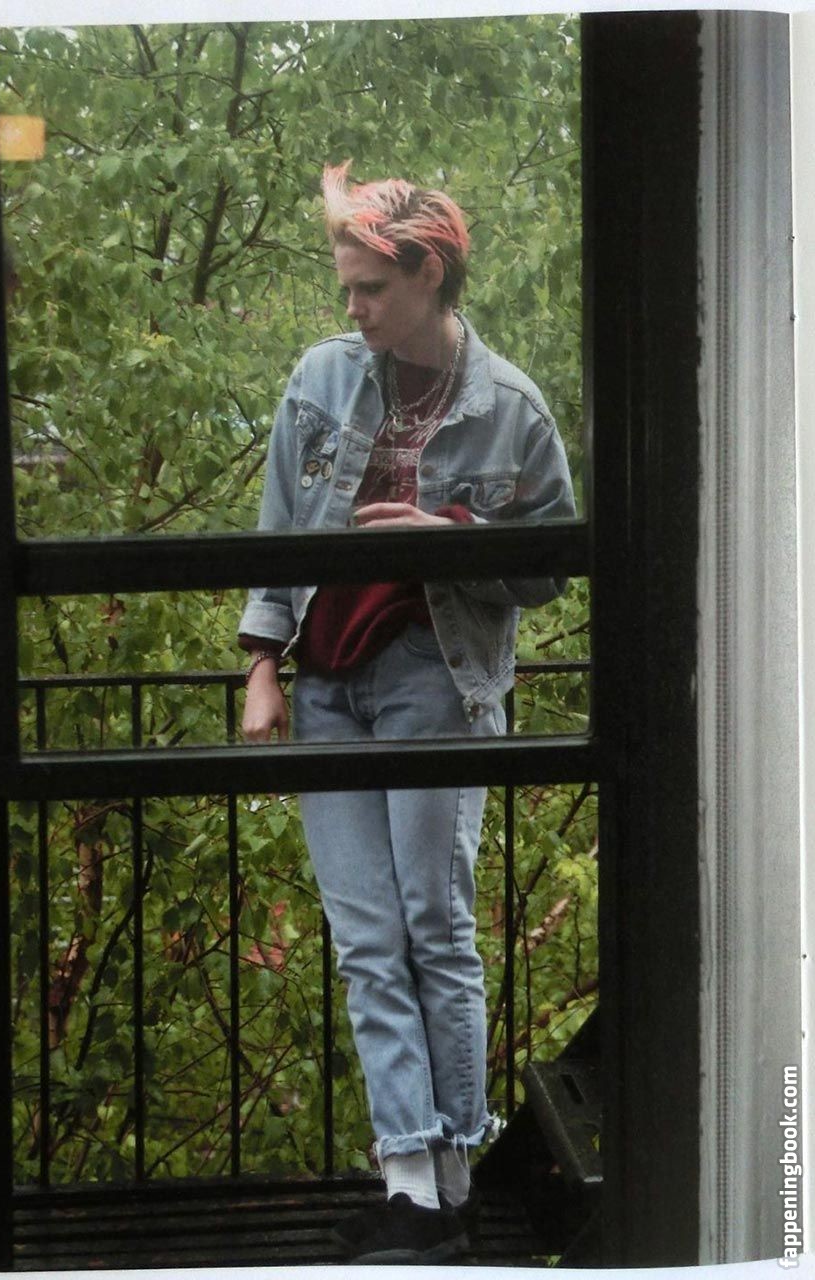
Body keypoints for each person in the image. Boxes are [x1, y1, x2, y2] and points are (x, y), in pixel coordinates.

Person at [238, 160, 575, 1265]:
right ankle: (409, 1180)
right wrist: (262, 664)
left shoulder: (511, 409)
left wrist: (456, 542)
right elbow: (278, 524)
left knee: (434, 924)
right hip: (329, 683)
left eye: (370, 288)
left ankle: (453, 1179)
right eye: (345, 286)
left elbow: (550, 569)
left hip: (438, 673)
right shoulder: (322, 378)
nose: (352, 308)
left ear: (428, 274)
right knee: (366, 937)